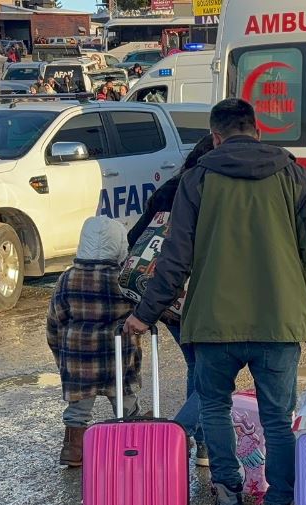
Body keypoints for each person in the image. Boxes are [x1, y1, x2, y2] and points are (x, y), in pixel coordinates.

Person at [124, 99, 306, 505]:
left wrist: (144, 313)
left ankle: (229, 503)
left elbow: (174, 261)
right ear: (257, 131)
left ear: (216, 137)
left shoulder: (196, 179)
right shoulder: (294, 174)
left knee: (213, 407)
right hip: (278, 322)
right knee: (278, 419)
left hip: (214, 322)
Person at [125, 135, 217, 466]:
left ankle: (205, 445)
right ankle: (176, 434)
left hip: (165, 299)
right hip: (202, 295)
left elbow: (134, 239)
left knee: (198, 365)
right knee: (216, 376)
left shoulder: (169, 188)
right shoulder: (210, 193)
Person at [47, 216, 142, 467]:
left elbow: (55, 320)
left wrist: (61, 357)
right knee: (126, 402)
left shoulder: (67, 279)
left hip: (79, 359)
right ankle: (132, 443)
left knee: (78, 408)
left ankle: (73, 448)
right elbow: (139, 313)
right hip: (118, 357)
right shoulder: (124, 279)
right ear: (120, 244)